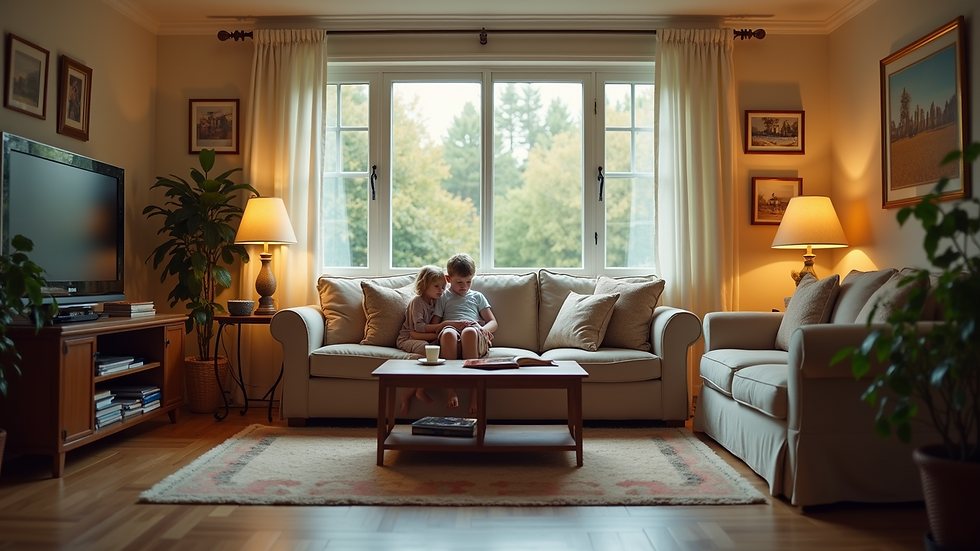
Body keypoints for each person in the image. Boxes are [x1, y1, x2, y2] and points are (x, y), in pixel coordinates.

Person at [432, 253, 498, 414]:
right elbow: (435, 325)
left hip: (473, 334)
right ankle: (450, 391)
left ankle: (474, 396)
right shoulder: (443, 297)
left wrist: (483, 329)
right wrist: (449, 325)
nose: (464, 286)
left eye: (468, 281)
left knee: (469, 332)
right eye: (459, 282)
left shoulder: (477, 297)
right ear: (448, 279)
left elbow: (493, 322)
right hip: (451, 333)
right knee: (448, 334)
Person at [395, 265, 449, 414]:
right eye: (436, 286)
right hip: (407, 338)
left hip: (425, 339)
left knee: (431, 354)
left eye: (443, 287)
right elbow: (417, 329)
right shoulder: (417, 302)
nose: (441, 290)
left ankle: (407, 394)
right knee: (428, 349)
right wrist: (441, 329)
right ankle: (420, 389)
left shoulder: (436, 302)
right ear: (424, 285)